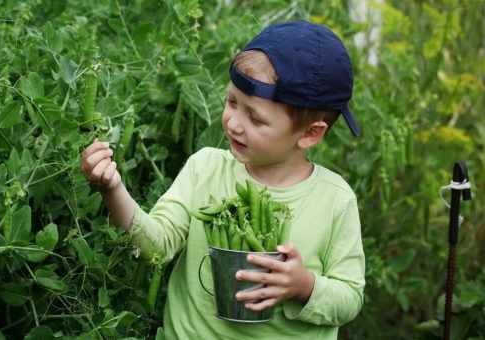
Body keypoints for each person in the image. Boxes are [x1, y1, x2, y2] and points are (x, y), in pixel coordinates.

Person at [81, 20, 365, 340]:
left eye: (255, 117)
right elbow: (156, 245)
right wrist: (112, 188)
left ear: (309, 134)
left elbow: (350, 298)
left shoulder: (334, 200)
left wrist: (303, 285)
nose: (234, 123)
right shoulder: (206, 169)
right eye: (231, 102)